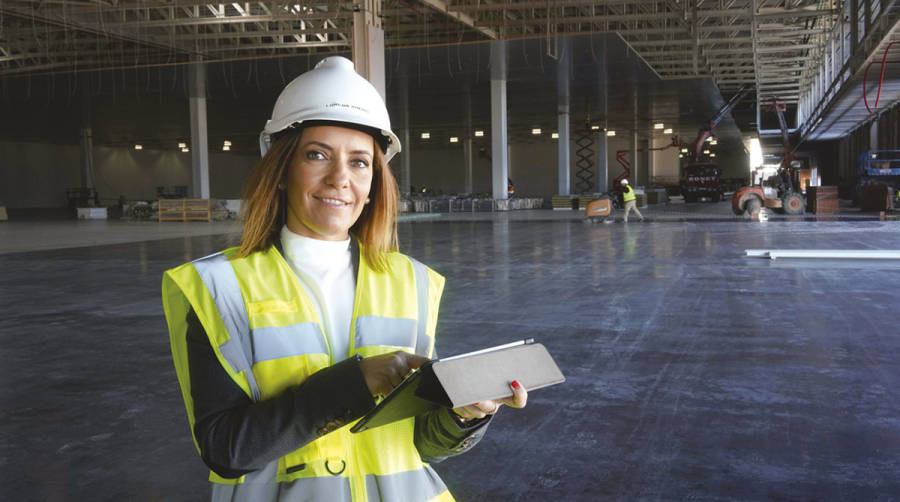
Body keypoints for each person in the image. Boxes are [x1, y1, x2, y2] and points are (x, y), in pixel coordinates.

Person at [161, 56, 527, 501]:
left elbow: (421, 445)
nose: (340, 179)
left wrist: (465, 414)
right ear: (282, 170)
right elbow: (227, 449)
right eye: (317, 155)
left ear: (374, 183)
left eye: (359, 163)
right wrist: (360, 379)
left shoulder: (412, 281)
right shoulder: (218, 288)